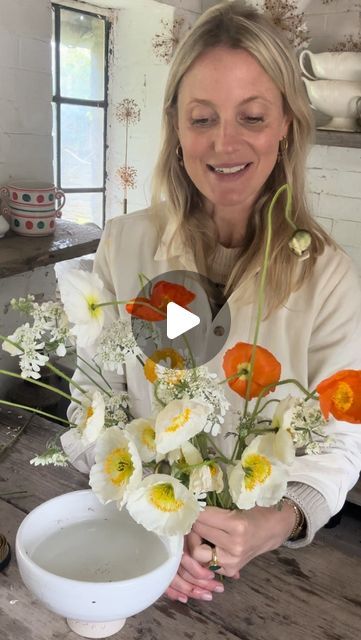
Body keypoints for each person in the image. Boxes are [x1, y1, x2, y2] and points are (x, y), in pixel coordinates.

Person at [64, 0, 361, 605]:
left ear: (286, 125)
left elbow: (340, 441)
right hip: (134, 549)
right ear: (175, 126)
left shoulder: (330, 277)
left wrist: (274, 522)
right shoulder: (125, 245)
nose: (225, 143)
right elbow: (89, 407)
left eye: (252, 116)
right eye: (202, 118)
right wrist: (152, 520)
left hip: (270, 579)